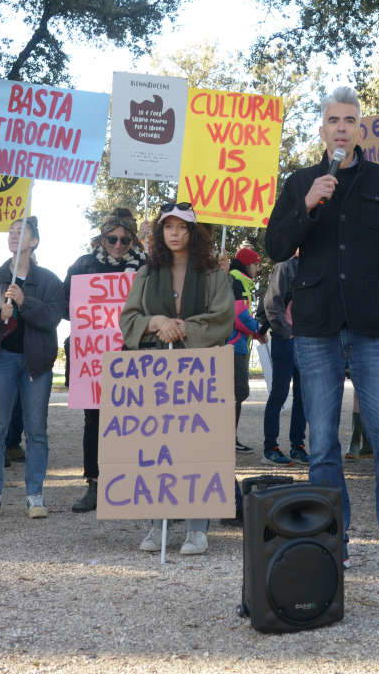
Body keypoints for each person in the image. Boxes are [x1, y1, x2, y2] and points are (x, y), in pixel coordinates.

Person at [264, 86, 379, 587]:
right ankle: (331, 544)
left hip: (372, 329)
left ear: (359, 128)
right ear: (321, 130)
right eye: (333, 121)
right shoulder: (302, 181)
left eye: (350, 120)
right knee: (322, 444)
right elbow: (276, 244)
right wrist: (306, 203)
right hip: (318, 329)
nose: (342, 128)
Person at [118, 202, 233, 554]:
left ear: (193, 233)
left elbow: (223, 317)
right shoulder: (147, 273)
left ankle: (197, 529)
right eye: (168, 227)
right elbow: (129, 318)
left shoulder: (214, 273)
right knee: (157, 447)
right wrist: (156, 323)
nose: (174, 233)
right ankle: (157, 525)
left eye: (182, 227)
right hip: (155, 368)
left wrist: (184, 328)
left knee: (198, 446)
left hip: (199, 370)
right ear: (160, 232)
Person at [0, 216, 63, 521]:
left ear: (34, 241)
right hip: (1, 361)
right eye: (10, 232)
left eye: (21, 232)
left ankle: (35, 496)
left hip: (36, 364)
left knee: (37, 431)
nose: (13, 236)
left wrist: (26, 301)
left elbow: (52, 318)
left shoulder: (48, 280)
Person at [61, 208, 147, 513]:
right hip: (93, 356)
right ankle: (95, 484)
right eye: (113, 238)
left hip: (132, 353)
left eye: (126, 239)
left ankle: (132, 483)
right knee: (94, 421)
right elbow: (64, 306)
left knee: (135, 420)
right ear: (102, 237)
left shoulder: (146, 267)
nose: (119, 244)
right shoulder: (83, 266)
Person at [260, 252, 308, 465]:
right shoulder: (285, 266)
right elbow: (272, 305)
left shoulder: (317, 264)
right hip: (285, 338)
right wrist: (287, 332)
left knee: (303, 396)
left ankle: (298, 446)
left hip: (309, 340)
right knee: (279, 393)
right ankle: (270, 447)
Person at [227, 246, 264, 453]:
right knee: (238, 392)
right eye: (256, 264)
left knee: (236, 392)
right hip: (234, 345)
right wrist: (258, 330)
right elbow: (239, 315)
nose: (258, 269)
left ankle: (229, 437)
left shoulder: (239, 279)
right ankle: (228, 438)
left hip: (237, 343)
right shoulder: (237, 280)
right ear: (248, 264)